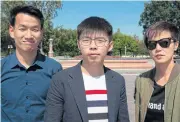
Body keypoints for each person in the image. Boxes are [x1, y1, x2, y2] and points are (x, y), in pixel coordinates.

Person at [44, 16, 130, 122]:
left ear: (110, 45)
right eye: (86, 40)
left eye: (100, 40)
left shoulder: (118, 80)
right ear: (78, 44)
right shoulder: (60, 80)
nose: (93, 46)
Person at [1, 5, 62, 122]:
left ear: (41, 32)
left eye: (35, 29)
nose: (29, 36)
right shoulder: (2, 68)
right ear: (12, 31)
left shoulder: (54, 68)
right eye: (22, 29)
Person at [134, 21, 180, 122]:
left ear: (176, 45)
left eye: (164, 43)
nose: (158, 48)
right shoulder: (141, 81)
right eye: (152, 44)